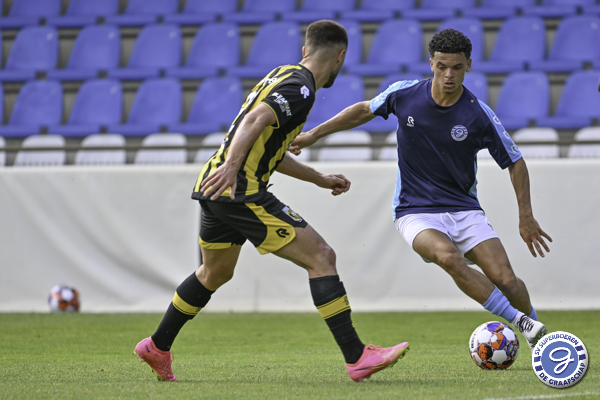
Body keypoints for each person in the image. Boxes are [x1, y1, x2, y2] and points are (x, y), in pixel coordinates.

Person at [134, 20, 408, 383]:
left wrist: (319, 178)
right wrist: (233, 167)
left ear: (305, 50)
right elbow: (255, 119)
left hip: (215, 187)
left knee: (215, 273)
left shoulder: (282, 74)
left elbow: (268, 148)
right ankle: (357, 356)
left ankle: (157, 346)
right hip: (238, 189)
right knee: (321, 256)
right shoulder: (301, 88)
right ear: (341, 57)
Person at [289, 29, 552, 352]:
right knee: (448, 257)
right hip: (414, 211)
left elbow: (515, 161)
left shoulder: (478, 114)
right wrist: (314, 134)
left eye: (456, 67)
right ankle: (522, 322)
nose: (449, 75)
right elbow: (364, 109)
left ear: (468, 65)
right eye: (442, 66)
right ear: (431, 64)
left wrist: (526, 216)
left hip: (465, 209)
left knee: (506, 279)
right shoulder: (405, 94)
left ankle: (541, 340)